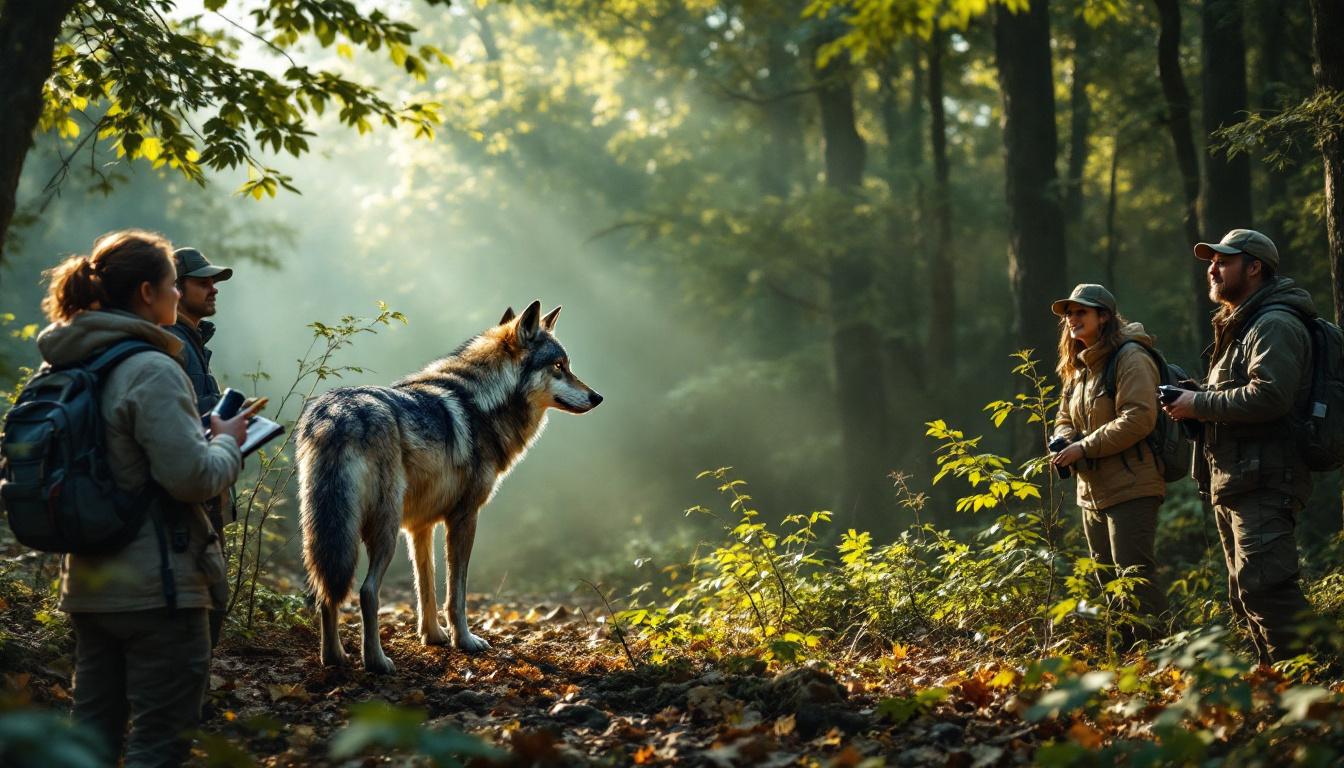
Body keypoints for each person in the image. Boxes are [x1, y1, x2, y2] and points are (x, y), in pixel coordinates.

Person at [37, 229, 256, 767]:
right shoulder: (151, 368)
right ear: (145, 292)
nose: (179, 295)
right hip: (158, 589)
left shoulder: (65, 363)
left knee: (90, 741)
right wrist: (228, 442)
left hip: (88, 584)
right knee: (157, 745)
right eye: (171, 286)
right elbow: (193, 478)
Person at [1163, 229, 1318, 665]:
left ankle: (1315, 697)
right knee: (1246, 594)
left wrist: (1199, 403)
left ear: (1254, 267)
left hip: (1265, 477)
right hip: (1236, 476)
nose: (1212, 268)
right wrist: (1193, 398)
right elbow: (1235, 397)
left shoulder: (1275, 323)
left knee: (1268, 588)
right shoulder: (1241, 324)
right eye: (1210, 261)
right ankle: (1279, 691)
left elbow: (1271, 396)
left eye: (1223, 261)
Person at [1049, 283, 1168, 643]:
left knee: (1135, 577)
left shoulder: (1130, 357)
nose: (1072, 318)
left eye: (1080, 311)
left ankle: (1159, 660)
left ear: (1104, 317)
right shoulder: (1079, 366)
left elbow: (1138, 418)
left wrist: (1083, 448)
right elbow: (1062, 416)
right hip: (1092, 493)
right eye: (1069, 313)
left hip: (1133, 487)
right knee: (1108, 581)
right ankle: (1127, 661)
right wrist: (1066, 440)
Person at [163, 246, 235, 647]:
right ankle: (187, 701)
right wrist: (225, 422)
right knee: (204, 600)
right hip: (189, 499)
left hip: (202, 492)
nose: (213, 289)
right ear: (174, 287)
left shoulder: (190, 338)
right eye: (202, 282)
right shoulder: (172, 342)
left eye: (214, 282)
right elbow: (181, 418)